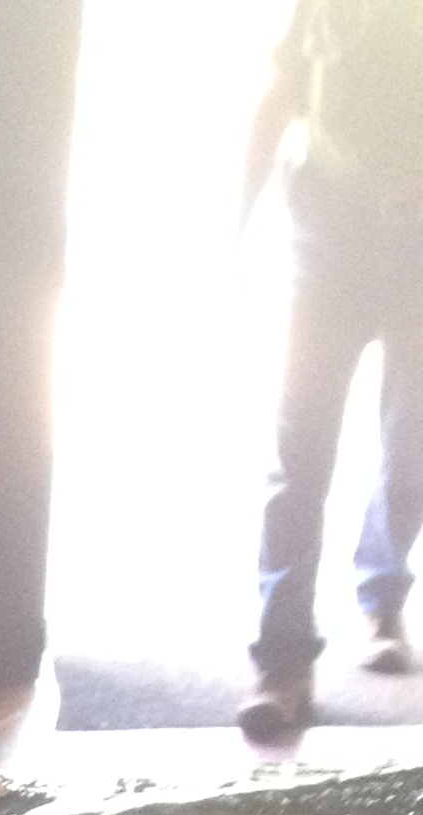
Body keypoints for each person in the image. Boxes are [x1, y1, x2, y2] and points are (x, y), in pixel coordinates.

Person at [240, 0, 423, 737]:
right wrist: (234, 219)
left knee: (411, 448)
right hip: (326, 253)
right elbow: (278, 94)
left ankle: (382, 597)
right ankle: (282, 661)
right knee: (300, 455)